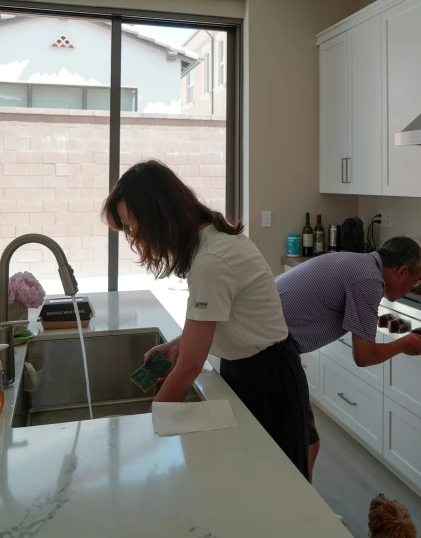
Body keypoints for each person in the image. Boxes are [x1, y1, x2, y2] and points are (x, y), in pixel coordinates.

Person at [101, 160, 310, 479]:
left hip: (268, 378)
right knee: (253, 482)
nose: (134, 236)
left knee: (277, 486)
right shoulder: (211, 239)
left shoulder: (211, 260)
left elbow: (190, 366)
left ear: (158, 214)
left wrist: (150, 422)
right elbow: (217, 317)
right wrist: (177, 345)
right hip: (249, 367)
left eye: (132, 225)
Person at [275, 236, 421, 477]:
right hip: (272, 352)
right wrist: (403, 344)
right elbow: (364, 356)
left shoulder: (358, 263)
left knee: (300, 443)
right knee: (304, 445)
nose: (411, 290)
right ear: (402, 271)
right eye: (414, 282)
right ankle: (300, 513)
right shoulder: (369, 280)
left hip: (266, 343)